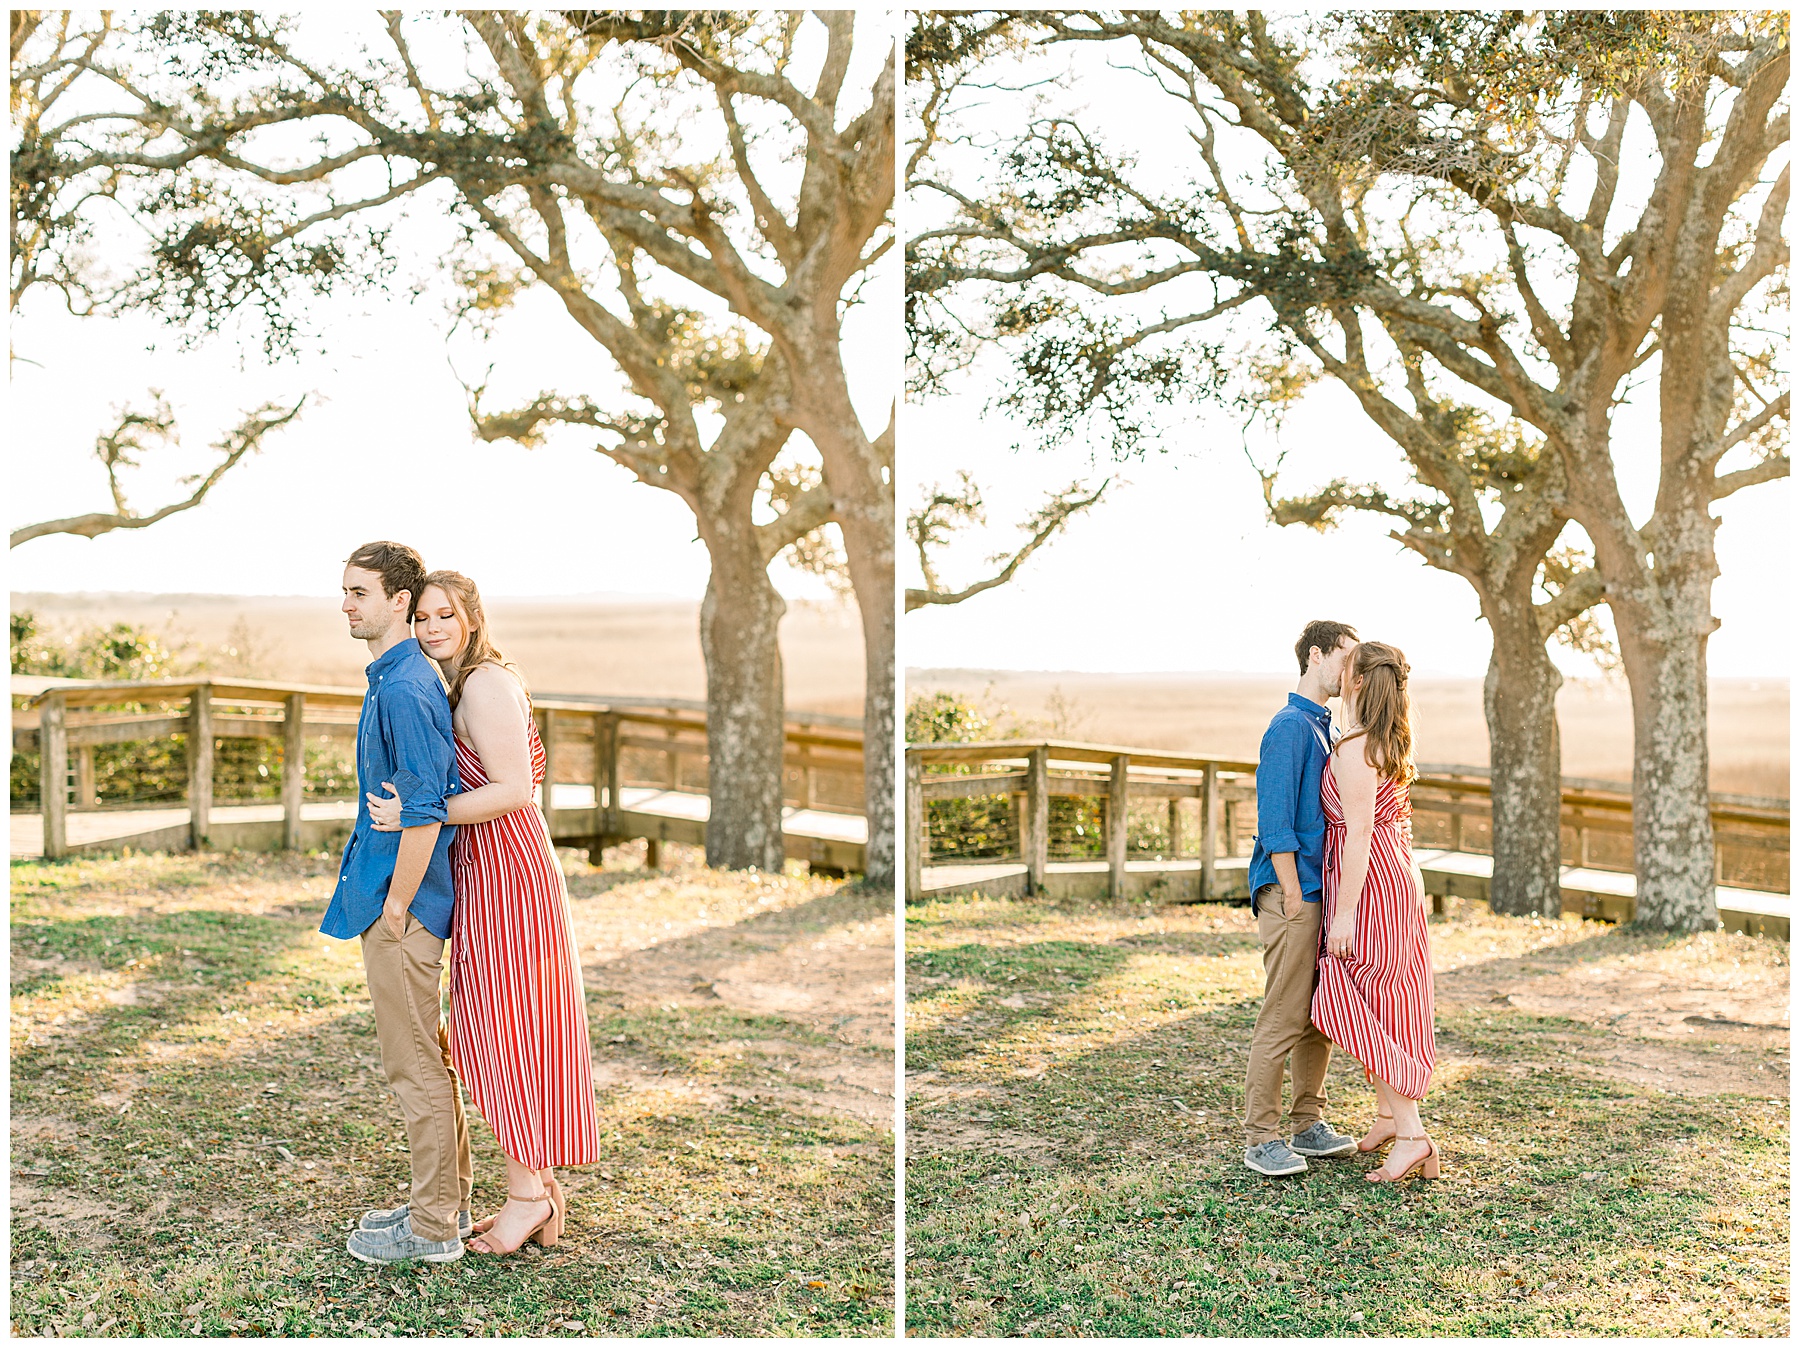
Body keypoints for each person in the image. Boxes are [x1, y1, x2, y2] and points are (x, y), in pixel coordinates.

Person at [367, 569, 600, 1255]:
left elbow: (516, 790)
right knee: (504, 1033)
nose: (432, 627)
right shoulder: (458, 684)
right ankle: (540, 1194)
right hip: (486, 869)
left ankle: (527, 1198)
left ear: (470, 617)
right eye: (422, 618)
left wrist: (415, 813)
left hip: (509, 867)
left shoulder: (487, 682)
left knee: (498, 1034)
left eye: (446, 614)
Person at [322, 541, 474, 1264]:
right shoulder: (393, 677)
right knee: (422, 1060)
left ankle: (434, 1228)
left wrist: (396, 909)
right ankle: (443, 1207)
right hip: (393, 901)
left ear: (397, 603)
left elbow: (426, 810)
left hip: (403, 909)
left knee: (412, 1067)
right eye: (345, 592)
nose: (346, 604)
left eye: (358, 592)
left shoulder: (409, 686)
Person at [1312, 640, 1441, 1182]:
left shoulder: (1354, 748)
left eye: (1348, 670)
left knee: (1348, 993)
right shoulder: (1387, 741)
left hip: (1368, 886)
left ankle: (1412, 1134)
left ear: (1359, 682)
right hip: (1396, 874)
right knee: (1387, 996)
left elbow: (1359, 834)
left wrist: (1342, 916)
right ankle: (1389, 1117)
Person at [1242, 619, 1361, 1177]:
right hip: (1296, 894)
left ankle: (1308, 1124)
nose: (1352, 669)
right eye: (1347, 656)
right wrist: (1291, 892)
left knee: (1317, 1017)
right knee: (1284, 1014)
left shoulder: (1325, 726)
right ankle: (1261, 1137)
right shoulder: (1289, 726)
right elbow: (1276, 821)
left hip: (1321, 893)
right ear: (1317, 655)